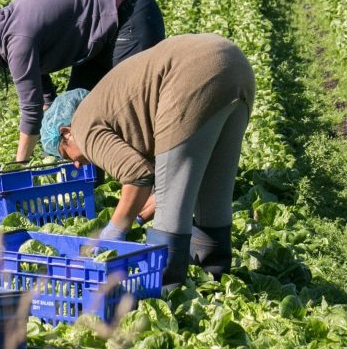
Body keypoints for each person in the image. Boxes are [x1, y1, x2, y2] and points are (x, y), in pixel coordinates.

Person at [38, 33, 256, 287]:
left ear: (66, 133)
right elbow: (159, 183)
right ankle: (214, 277)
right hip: (234, 64)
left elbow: (138, 176)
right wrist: (139, 216)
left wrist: (115, 230)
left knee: (173, 214)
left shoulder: (83, 125)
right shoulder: (108, 107)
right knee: (213, 190)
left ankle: (168, 288)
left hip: (191, 77)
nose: (76, 163)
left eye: (66, 155)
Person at [0, 0, 165, 162]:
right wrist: (54, 134)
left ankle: (152, 187)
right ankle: (94, 192)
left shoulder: (16, 41)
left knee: (130, 110)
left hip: (129, 12)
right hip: (101, 33)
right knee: (78, 115)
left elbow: (30, 111)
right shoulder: (8, 34)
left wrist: (19, 166)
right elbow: (45, 102)